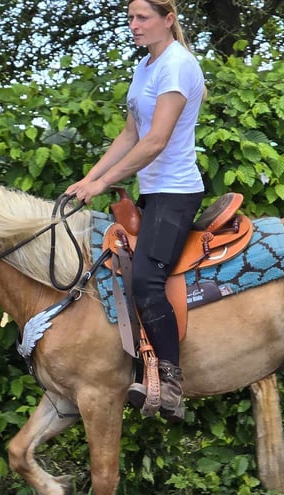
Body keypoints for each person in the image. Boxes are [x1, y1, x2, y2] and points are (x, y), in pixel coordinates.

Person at [66, 0, 205, 421]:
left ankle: (171, 383)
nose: (134, 25)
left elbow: (156, 140)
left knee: (146, 280)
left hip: (176, 193)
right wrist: (87, 180)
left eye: (142, 17)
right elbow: (130, 134)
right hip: (153, 194)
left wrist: (102, 184)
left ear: (169, 19)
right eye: (129, 18)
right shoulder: (146, 66)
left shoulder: (177, 65)